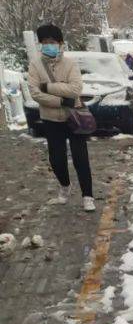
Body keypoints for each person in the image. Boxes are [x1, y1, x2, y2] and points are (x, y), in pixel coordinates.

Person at [27, 25, 95, 213]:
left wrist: (47, 87)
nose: (49, 45)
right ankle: (65, 187)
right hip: (50, 119)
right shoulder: (35, 65)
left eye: (53, 42)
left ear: (60, 43)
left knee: (81, 158)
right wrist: (61, 99)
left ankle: (87, 196)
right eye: (45, 42)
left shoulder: (70, 63)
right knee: (56, 159)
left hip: (74, 117)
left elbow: (75, 90)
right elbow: (34, 93)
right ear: (41, 44)